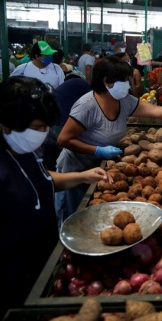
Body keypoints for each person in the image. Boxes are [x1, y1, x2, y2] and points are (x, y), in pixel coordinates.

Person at [56, 56, 162, 226]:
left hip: (102, 167)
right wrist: (97, 150)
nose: (129, 84)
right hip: (76, 167)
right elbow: (64, 139)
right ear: (107, 82)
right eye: (125, 80)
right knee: (74, 215)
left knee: (95, 217)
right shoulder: (87, 106)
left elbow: (157, 112)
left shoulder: (124, 101)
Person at [0, 76, 110, 319]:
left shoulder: (24, 150)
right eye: (37, 127)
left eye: (45, 127)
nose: (43, 133)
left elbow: (43, 181)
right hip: (10, 276)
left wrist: (82, 176)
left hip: (40, 265)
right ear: (6, 124)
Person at [41, 71, 91, 170]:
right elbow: (92, 106)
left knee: (50, 167)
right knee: (66, 163)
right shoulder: (83, 83)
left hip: (46, 127)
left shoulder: (62, 88)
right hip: (61, 126)